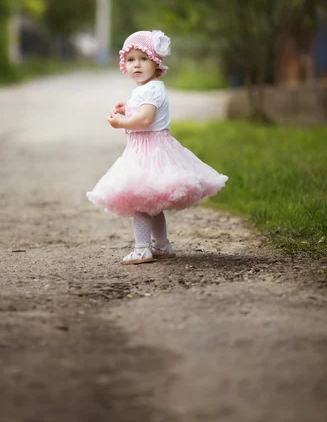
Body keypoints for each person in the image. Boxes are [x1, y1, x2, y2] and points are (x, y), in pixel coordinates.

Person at [86, 30, 228, 265]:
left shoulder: (151, 89)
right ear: (124, 64)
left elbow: (145, 120)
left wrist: (120, 122)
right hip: (147, 150)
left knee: (140, 204)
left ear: (156, 62)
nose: (137, 65)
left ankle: (142, 249)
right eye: (131, 60)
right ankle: (161, 245)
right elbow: (142, 111)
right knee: (151, 205)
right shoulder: (147, 88)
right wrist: (128, 107)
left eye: (143, 58)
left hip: (150, 152)